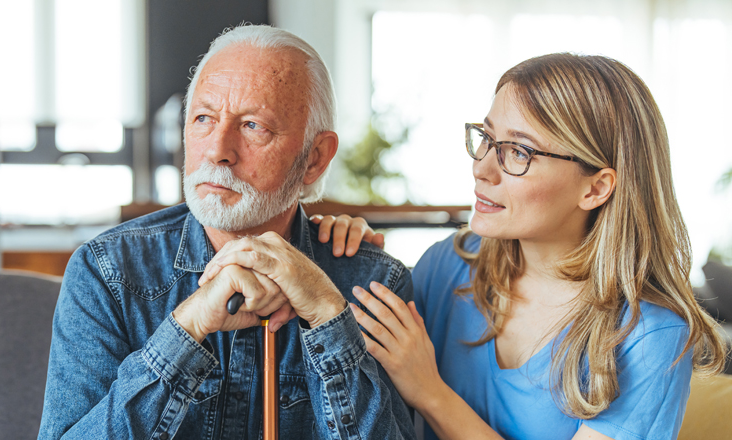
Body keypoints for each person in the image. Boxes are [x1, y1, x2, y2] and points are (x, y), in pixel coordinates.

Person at [301, 54, 729, 440]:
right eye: (486, 138)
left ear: (596, 188)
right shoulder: (447, 265)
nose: (482, 168)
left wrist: (430, 392)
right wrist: (340, 254)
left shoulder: (650, 335)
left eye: (519, 152)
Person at [38, 24, 415, 440]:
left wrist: (329, 313)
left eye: (253, 126)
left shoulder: (372, 284)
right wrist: (187, 329)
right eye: (203, 117)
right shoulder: (107, 273)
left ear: (315, 158)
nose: (218, 149)